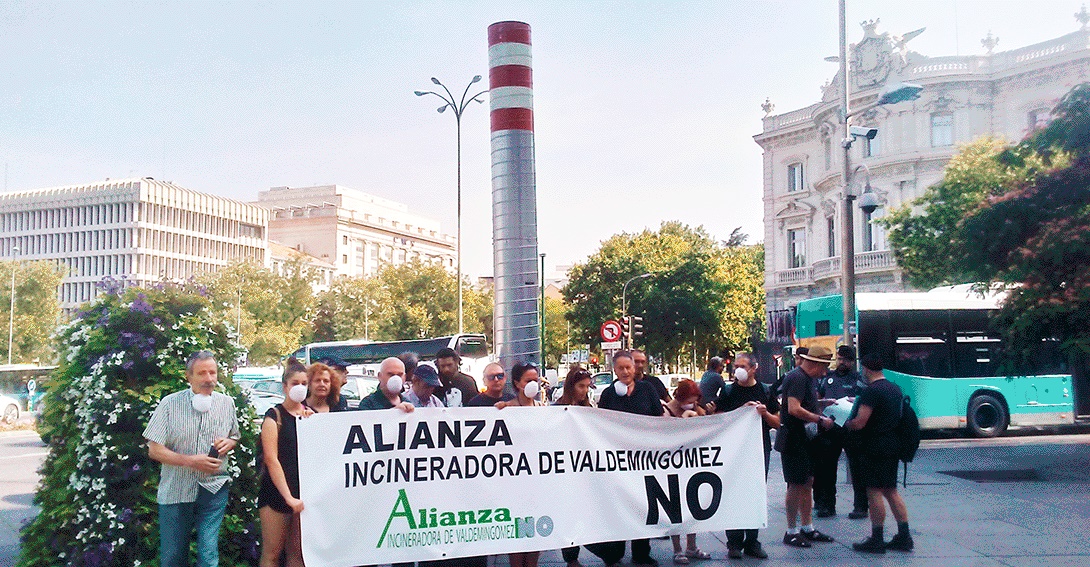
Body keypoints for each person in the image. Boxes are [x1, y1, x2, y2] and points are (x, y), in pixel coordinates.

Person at [143, 351, 240, 567]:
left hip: (214, 488)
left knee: (208, 554)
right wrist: (191, 461)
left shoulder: (227, 403)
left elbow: (234, 435)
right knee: (173, 557)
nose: (208, 378)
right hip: (176, 490)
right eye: (202, 373)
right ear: (189, 377)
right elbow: (154, 450)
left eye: (212, 372)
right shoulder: (169, 404)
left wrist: (230, 443)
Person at [594, 351, 663, 567]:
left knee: (643, 506)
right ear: (614, 370)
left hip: (644, 459)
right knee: (618, 505)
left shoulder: (647, 389)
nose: (625, 371)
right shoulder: (608, 394)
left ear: (635, 368)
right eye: (621, 368)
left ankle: (641, 552)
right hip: (618, 462)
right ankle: (615, 552)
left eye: (629, 367)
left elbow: (659, 417)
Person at [712, 353, 779, 560]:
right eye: (736, 366)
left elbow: (778, 422)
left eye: (742, 366)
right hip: (732, 451)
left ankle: (752, 542)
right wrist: (740, 411)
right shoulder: (728, 390)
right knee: (732, 493)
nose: (738, 370)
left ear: (753, 368)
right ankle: (734, 542)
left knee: (755, 494)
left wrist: (765, 413)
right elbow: (716, 419)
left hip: (759, 449)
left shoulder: (765, 390)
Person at [845, 354, 914, 554]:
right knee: (891, 490)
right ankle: (904, 535)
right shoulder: (894, 388)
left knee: (874, 491)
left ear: (866, 369)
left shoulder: (871, 392)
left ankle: (877, 538)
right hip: (893, 445)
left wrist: (847, 423)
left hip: (874, 447)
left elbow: (860, 422)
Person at [776, 345, 836, 549]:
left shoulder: (806, 379)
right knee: (795, 483)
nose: (825, 372)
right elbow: (794, 408)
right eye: (824, 366)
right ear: (815, 363)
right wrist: (819, 419)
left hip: (804, 439)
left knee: (807, 481)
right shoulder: (797, 378)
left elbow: (804, 404)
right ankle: (791, 530)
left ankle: (807, 526)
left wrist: (825, 403)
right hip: (794, 438)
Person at [257, 360, 314, 567]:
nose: (300, 387)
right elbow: (271, 460)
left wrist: (312, 422)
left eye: (304, 383)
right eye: (295, 383)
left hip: (303, 493)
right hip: (276, 494)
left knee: (297, 554)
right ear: (285, 386)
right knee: (272, 553)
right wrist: (288, 497)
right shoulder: (274, 417)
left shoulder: (310, 416)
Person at [813, 345, 867, 518]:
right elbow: (818, 399)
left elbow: (866, 400)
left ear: (852, 361)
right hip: (830, 427)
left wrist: (855, 400)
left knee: (857, 469)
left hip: (852, 428)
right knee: (827, 468)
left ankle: (860, 506)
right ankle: (827, 505)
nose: (841, 362)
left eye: (845, 359)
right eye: (839, 358)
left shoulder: (858, 379)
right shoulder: (827, 377)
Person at [662, 380, 710, 564]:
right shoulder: (666, 409)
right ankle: (677, 549)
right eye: (689, 400)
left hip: (691, 465)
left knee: (693, 505)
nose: (692, 403)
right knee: (674, 507)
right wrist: (683, 420)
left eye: (695, 400)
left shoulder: (696, 408)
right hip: (672, 465)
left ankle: (691, 546)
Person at [551, 366, 594, 567]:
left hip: (586, 470)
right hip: (565, 470)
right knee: (569, 513)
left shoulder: (590, 408)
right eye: (580, 386)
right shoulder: (556, 409)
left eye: (587, 386)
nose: (584, 390)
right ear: (571, 386)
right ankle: (571, 558)